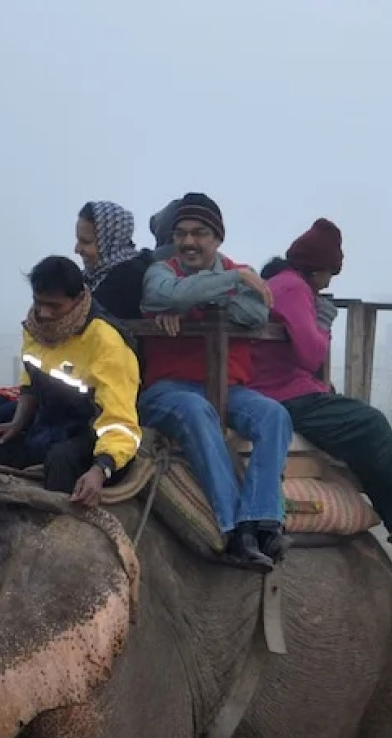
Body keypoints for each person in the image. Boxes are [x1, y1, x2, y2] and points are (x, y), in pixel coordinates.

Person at [249, 218, 392, 555]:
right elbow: (311, 355)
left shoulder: (281, 283)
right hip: (283, 393)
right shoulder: (294, 289)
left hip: (280, 387)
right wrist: (323, 325)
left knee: (361, 432)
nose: (328, 283)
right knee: (371, 424)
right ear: (318, 269)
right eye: (330, 274)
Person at [138, 192, 291, 570]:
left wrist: (191, 300)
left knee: (273, 414)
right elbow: (160, 294)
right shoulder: (162, 271)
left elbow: (255, 313)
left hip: (229, 388)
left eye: (199, 233)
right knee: (196, 410)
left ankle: (262, 520)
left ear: (218, 238)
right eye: (181, 234)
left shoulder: (240, 270)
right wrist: (231, 282)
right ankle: (233, 531)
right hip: (168, 390)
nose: (188, 242)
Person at [0, 255, 142, 506]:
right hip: (47, 423)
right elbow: (30, 382)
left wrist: (101, 468)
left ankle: (54, 523)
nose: (44, 314)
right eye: (38, 303)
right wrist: (16, 423)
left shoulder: (106, 341)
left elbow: (119, 421)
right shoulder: (35, 328)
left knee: (60, 459)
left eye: (54, 306)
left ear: (78, 299)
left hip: (88, 431)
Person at [74, 200, 152, 320]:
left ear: (109, 242)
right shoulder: (90, 278)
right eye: (78, 240)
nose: (77, 249)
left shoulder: (129, 280)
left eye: (86, 242)